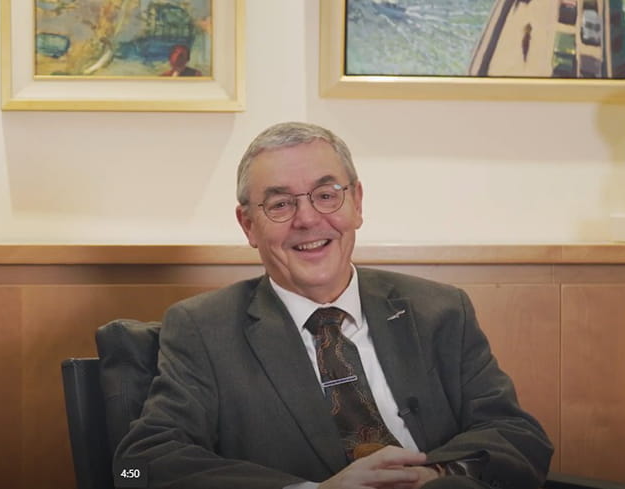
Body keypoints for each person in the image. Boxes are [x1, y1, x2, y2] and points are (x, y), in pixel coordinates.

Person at [114, 122, 553, 489]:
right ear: (248, 224)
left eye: (326, 195)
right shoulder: (203, 329)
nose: (307, 219)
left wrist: (435, 475)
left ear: (357, 203)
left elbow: (520, 437)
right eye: (281, 203)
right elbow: (137, 466)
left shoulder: (439, 310)